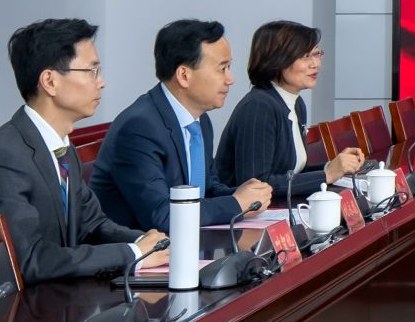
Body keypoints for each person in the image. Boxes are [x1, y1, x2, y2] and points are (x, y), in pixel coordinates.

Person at [0, 19, 164, 281]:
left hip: (61, 294)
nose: (101, 82)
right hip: (21, 303)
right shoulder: (3, 158)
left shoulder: (61, 147)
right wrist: (133, 253)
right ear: (50, 81)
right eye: (91, 71)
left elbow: (93, 226)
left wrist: (147, 243)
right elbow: (30, 260)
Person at [91, 19, 274, 230]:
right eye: (222, 69)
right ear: (184, 75)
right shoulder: (139, 128)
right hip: (143, 246)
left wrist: (245, 195)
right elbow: (162, 216)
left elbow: (206, 189)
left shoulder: (200, 120)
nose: (230, 79)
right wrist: (236, 203)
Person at [214, 20, 365, 198]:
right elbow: (256, 184)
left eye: (317, 54)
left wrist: (334, 166)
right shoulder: (259, 107)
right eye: (306, 56)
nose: (316, 64)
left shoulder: (296, 103)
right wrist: (327, 175)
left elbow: (291, 172)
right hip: (247, 212)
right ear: (276, 60)